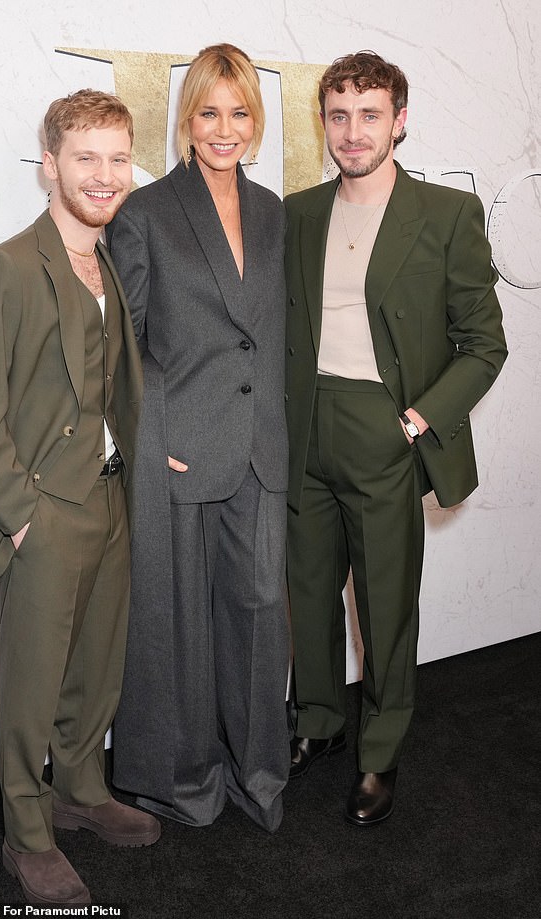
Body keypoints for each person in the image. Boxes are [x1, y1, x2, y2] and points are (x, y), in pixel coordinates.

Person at [0, 89, 160, 904]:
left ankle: (80, 788)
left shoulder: (105, 259)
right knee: (31, 683)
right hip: (43, 510)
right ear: (50, 165)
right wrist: (23, 516)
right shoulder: (6, 266)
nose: (104, 176)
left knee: (97, 669)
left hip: (108, 500)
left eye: (116, 158)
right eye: (85, 158)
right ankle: (25, 836)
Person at [285, 51, 507, 826]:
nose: (353, 132)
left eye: (370, 114)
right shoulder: (299, 212)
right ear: (325, 123)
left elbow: (485, 343)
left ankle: (379, 752)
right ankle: (317, 723)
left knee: (383, 605)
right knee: (307, 596)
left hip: (385, 428)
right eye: (339, 115)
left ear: (399, 120)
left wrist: (414, 419)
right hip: (302, 426)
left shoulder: (446, 215)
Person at [108, 43, 291, 832]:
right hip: (180, 447)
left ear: (256, 122)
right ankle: (184, 780)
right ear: (186, 117)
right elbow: (125, 349)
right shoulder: (145, 214)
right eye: (210, 111)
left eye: (240, 112)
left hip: (259, 447)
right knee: (176, 625)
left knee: (257, 614)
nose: (225, 128)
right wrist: (153, 439)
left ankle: (259, 776)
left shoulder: (275, 210)